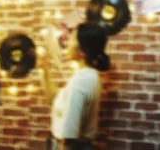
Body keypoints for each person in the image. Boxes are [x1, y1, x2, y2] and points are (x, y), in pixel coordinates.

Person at [42, 22, 110, 150]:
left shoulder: (81, 81)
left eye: (72, 39)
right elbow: (53, 99)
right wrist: (45, 72)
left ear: (83, 52)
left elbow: (69, 136)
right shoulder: (88, 76)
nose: (67, 43)